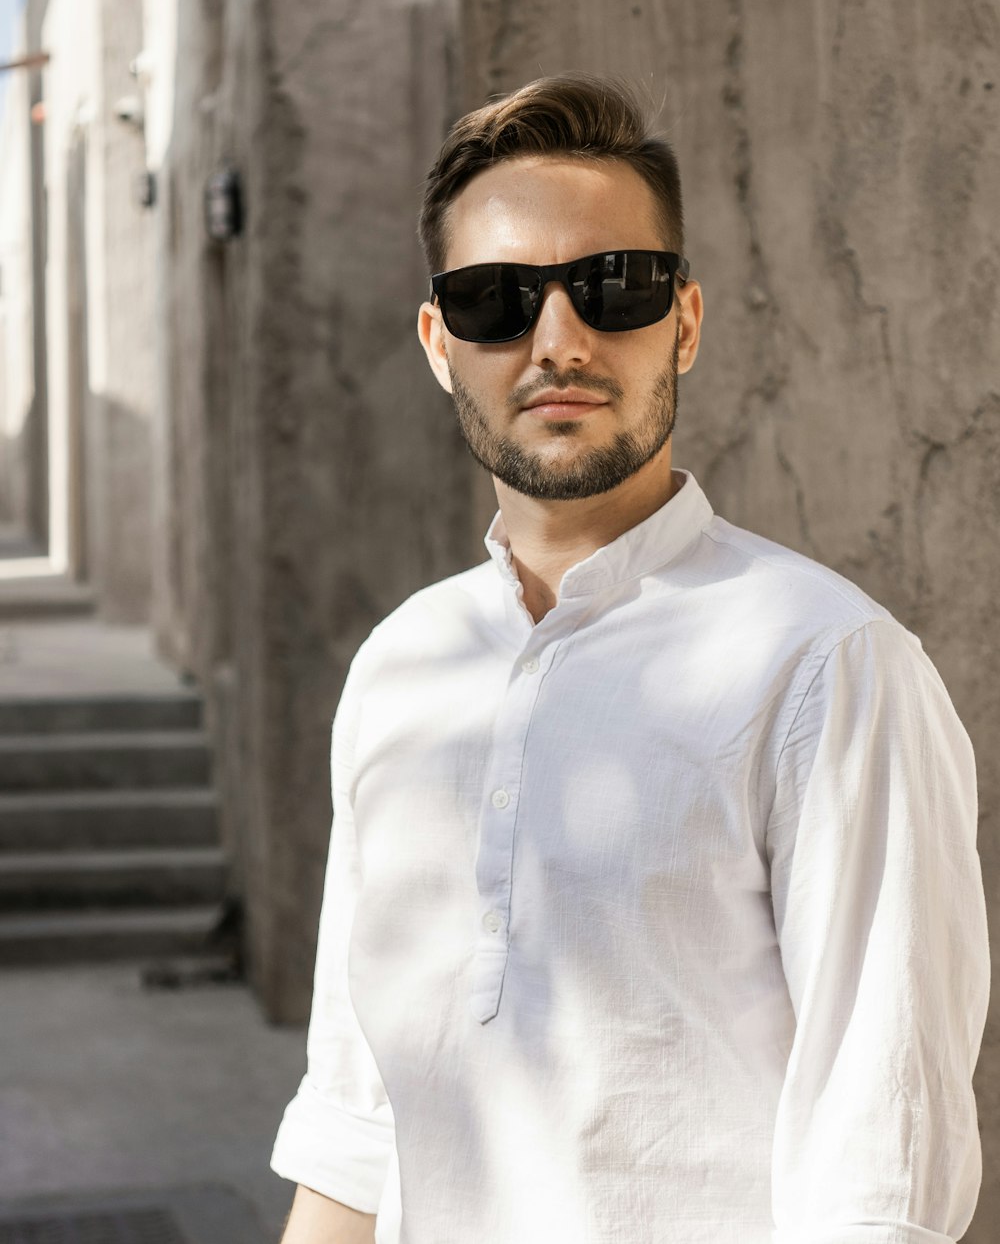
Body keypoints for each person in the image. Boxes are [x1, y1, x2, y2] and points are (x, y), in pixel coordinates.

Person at [270, 74, 989, 1244]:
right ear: (440, 343)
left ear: (685, 324)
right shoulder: (401, 665)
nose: (559, 341)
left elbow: (881, 1172)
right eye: (497, 302)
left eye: (614, 288)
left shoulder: (825, 666)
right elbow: (358, 1119)